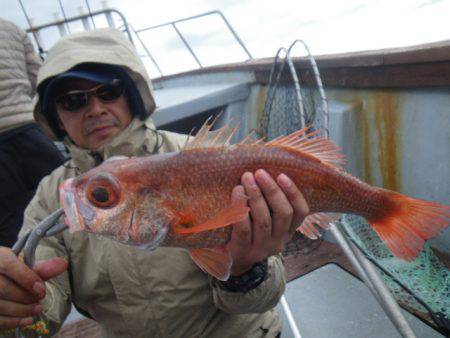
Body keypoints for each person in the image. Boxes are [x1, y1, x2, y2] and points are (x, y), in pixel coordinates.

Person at [0, 28, 310, 337]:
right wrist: (22, 304)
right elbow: (40, 318)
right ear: (55, 116)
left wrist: (245, 270)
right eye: (73, 101)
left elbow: (264, 299)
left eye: (109, 91)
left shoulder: (200, 155)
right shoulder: (52, 196)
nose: (95, 109)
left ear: (132, 94)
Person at [0, 18, 65, 248]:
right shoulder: (11, 28)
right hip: (28, 130)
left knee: (7, 219)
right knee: (65, 195)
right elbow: (39, 76)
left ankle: (24, 273)